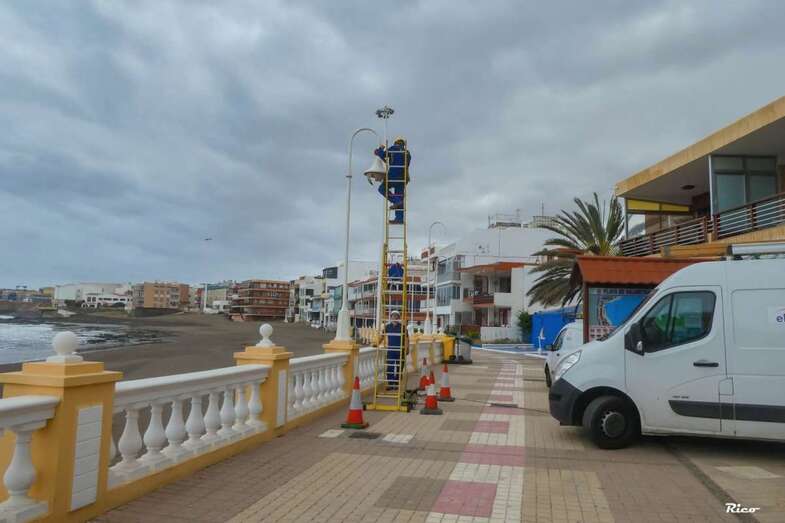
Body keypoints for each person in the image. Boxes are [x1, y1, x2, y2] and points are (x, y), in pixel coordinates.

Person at [374, 137, 411, 224]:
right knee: (400, 196)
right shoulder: (407, 154)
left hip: (393, 176)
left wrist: (378, 150)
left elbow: (383, 155)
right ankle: (399, 218)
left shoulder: (393, 148)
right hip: (403, 178)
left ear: (396, 143)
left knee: (382, 188)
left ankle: (396, 201)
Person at [385, 310, 403, 387]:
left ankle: (396, 383)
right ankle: (390, 383)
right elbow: (382, 336)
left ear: (398, 317)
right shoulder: (387, 327)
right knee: (390, 367)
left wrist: (407, 348)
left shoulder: (402, 327)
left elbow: (406, 338)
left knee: (400, 367)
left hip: (400, 350)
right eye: (393, 316)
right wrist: (377, 343)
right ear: (391, 317)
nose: (394, 317)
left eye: (396, 316)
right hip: (391, 350)